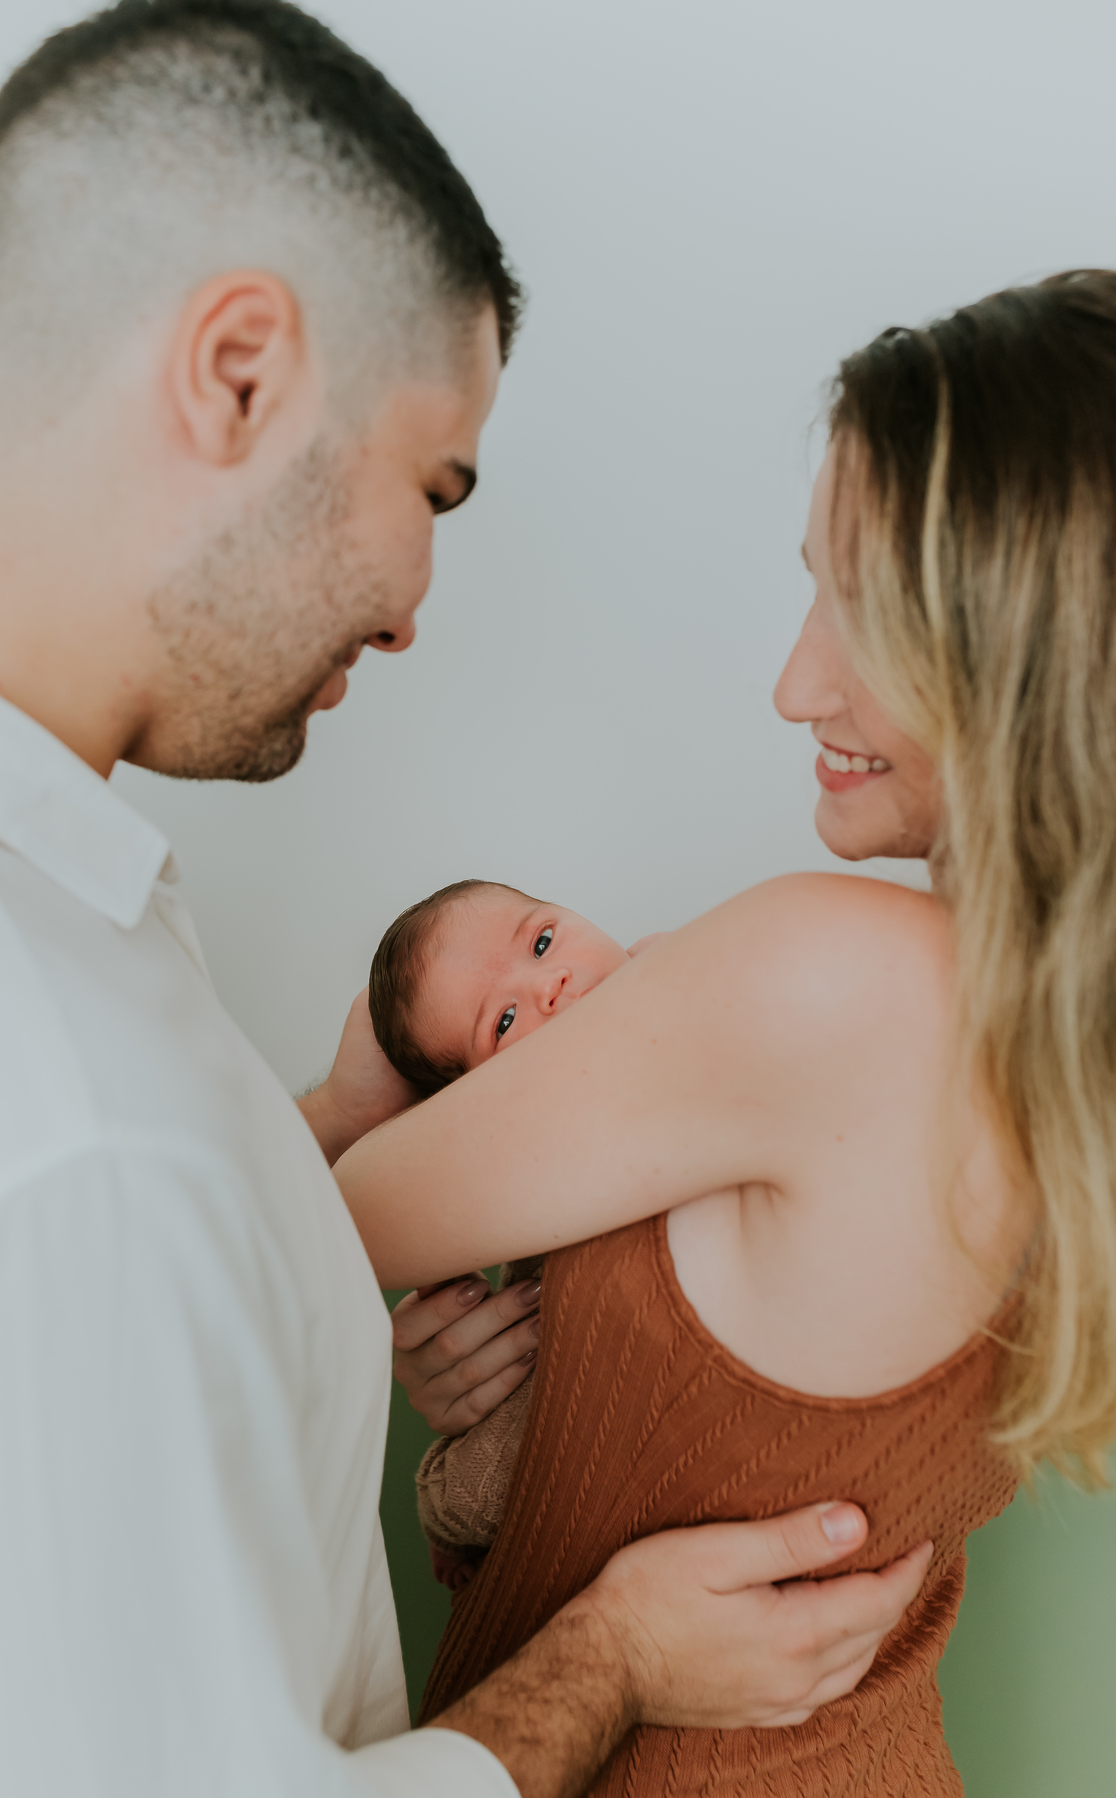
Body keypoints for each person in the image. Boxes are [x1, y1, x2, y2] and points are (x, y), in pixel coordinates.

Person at [0, 3, 929, 1795]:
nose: (412, 605)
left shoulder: (59, 951)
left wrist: (319, 1159)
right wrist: (614, 1653)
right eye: (430, 487)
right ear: (238, 374)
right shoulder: (73, 1129)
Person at [334, 271, 1116, 1794]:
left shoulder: (837, 980)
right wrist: (533, 1387)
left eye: (864, 610)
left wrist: (367, 1055)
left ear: (1022, 651)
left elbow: (315, 1226)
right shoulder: (1054, 1034)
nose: (794, 682)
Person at [366, 877, 664, 1585]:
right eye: (502, 1022)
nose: (550, 986)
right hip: (568, 1363)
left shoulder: (676, 971)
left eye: (543, 941)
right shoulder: (521, 1150)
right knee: (484, 1480)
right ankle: (452, 1522)